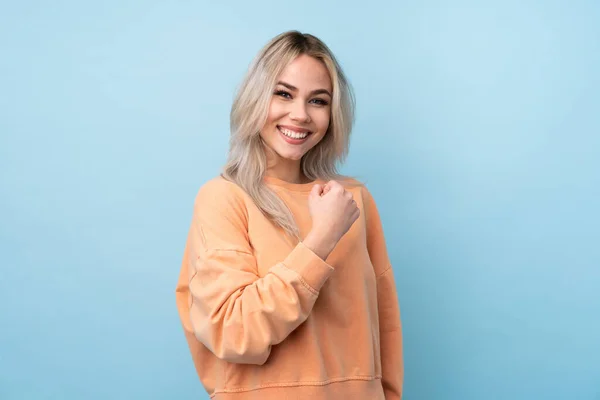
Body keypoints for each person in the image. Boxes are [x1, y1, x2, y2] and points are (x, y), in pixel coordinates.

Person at [175, 30, 403, 399]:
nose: (300, 115)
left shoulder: (354, 200)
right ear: (255, 97)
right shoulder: (224, 198)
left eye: (318, 100)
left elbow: (385, 328)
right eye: (283, 94)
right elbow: (235, 333)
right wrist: (321, 238)